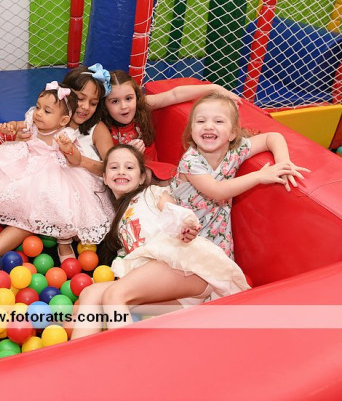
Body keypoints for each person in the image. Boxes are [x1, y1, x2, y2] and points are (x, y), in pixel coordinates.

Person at [70, 145, 250, 339]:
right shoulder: (120, 220)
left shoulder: (150, 194)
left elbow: (173, 211)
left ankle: (125, 357)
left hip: (186, 269)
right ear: (105, 178)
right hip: (173, 293)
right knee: (91, 294)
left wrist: (184, 225)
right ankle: (80, 356)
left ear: (142, 177)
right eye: (114, 167)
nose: (121, 171)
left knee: (114, 295)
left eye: (129, 167)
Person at [0, 82, 114, 283]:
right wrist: (11, 127)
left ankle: (63, 239)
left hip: (51, 175)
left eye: (46, 111)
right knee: (1, 187)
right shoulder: (33, 121)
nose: (38, 113)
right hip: (25, 166)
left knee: (55, 203)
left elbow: (76, 160)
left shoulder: (66, 135)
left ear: (63, 120)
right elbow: (19, 125)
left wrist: (68, 149)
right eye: (38, 107)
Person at [171, 93, 310, 258]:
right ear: (191, 130)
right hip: (184, 231)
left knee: (223, 268)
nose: (208, 126)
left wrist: (283, 161)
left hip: (215, 230)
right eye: (201, 121)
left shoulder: (236, 151)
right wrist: (259, 176)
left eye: (218, 121)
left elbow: (273, 137)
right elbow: (217, 190)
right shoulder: (190, 161)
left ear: (232, 133)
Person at [102, 70, 242, 181]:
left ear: (136, 97)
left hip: (156, 170)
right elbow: (107, 165)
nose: (124, 106)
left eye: (128, 98)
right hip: (129, 176)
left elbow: (174, 95)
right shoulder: (103, 128)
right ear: (104, 104)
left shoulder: (141, 107)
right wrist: (128, 153)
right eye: (115, 101)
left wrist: (214, 88)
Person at [15, 63, 114, 176]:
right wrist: (21, 141)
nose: (86, 107)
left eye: (93, 103)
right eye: (80, 98)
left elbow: (114, 166)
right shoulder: (45, 120)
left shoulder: (97, 129)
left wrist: (76, 158)